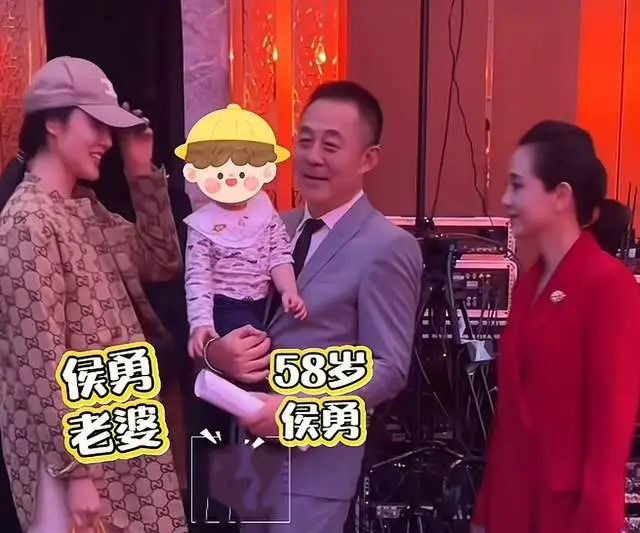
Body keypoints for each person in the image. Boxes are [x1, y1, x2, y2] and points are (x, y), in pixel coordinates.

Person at [200, 81, 423, 532]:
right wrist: (217, 353)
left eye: (331, 145)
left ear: (368, 159)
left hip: (314, 471)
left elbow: (388, 368)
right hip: (249, 461)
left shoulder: (387, 247)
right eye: (305, 141)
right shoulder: (269, 229)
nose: (314, 157)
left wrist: (295, 415)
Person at [0, 56, 188, 532]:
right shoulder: (27, 221)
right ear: (53, 124)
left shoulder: (84, 208)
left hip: (120, 433)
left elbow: (162, 261)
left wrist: (140, 169)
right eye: (96, 125)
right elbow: (40, 358)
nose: (107, 140)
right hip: (72, 457)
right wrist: (75, 471)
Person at [471, 121, 640, 533]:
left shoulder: (609, 285)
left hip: (567, 514)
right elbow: (508, 423)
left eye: (518, 186)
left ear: (561, 195)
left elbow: (610, 431)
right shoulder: (528, 284)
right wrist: (485, 514)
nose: (506, 199)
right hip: (512, 508)